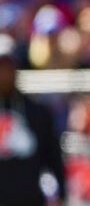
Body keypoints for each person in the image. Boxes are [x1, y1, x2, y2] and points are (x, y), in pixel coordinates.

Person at [0, 33, 67, 206]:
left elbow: (53, 158)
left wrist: (59, 192)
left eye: (8, 67)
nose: (4, 74)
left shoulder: (37, 113)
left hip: (30, 198)